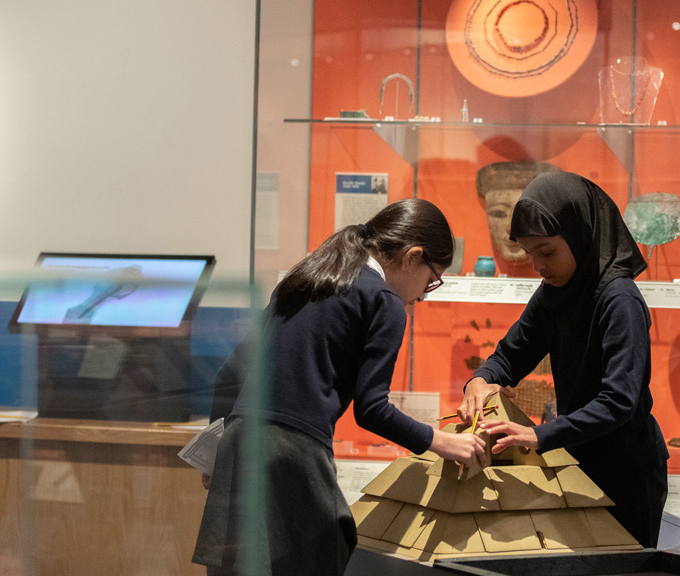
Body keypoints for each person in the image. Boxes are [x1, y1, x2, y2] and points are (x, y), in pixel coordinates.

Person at [193, 199, 487, 576]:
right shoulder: (384, 302)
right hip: (290, 451)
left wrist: (217, 450)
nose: (422, 297)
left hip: (239, 442)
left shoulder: (308, 277)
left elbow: (229, 373)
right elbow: (372, 409)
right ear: (413, 257)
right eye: (431, 281)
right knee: (326, 551)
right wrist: (442, 442)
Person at [458, 171, 669, 548]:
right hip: (576, 463)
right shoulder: (553, 292)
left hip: (626, 472)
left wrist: (540, 434)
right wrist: (480, 380)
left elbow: (619, 400)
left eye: (547, 252)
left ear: (579, 234)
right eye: (529, 253)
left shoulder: (619, 300)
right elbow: (510, 356)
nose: (537, 265)